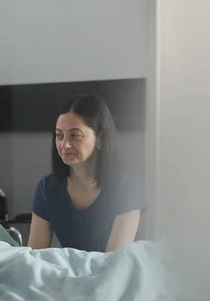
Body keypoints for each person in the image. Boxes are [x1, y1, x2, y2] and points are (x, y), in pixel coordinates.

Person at [28, 93, 145, 253]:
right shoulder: (46, 188)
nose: (65, 144)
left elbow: (115, 262)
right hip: (75, 275)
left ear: (100, 139)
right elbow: (35, 256)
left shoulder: (126, 187)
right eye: (59, 135)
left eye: (75, 135)